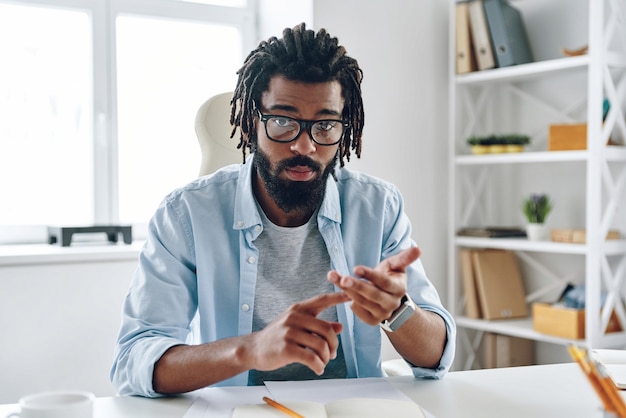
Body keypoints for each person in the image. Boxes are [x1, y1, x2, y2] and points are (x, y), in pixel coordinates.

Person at [110, 22, 456, 397]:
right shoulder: (188, 214)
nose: (304, 146)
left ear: (345, 127)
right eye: (282, 121)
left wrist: (397, 310)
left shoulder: (377, 208)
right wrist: (250, 349)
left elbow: (436, 358)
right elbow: (134, 361)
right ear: (250, 125)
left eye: (325, 125)